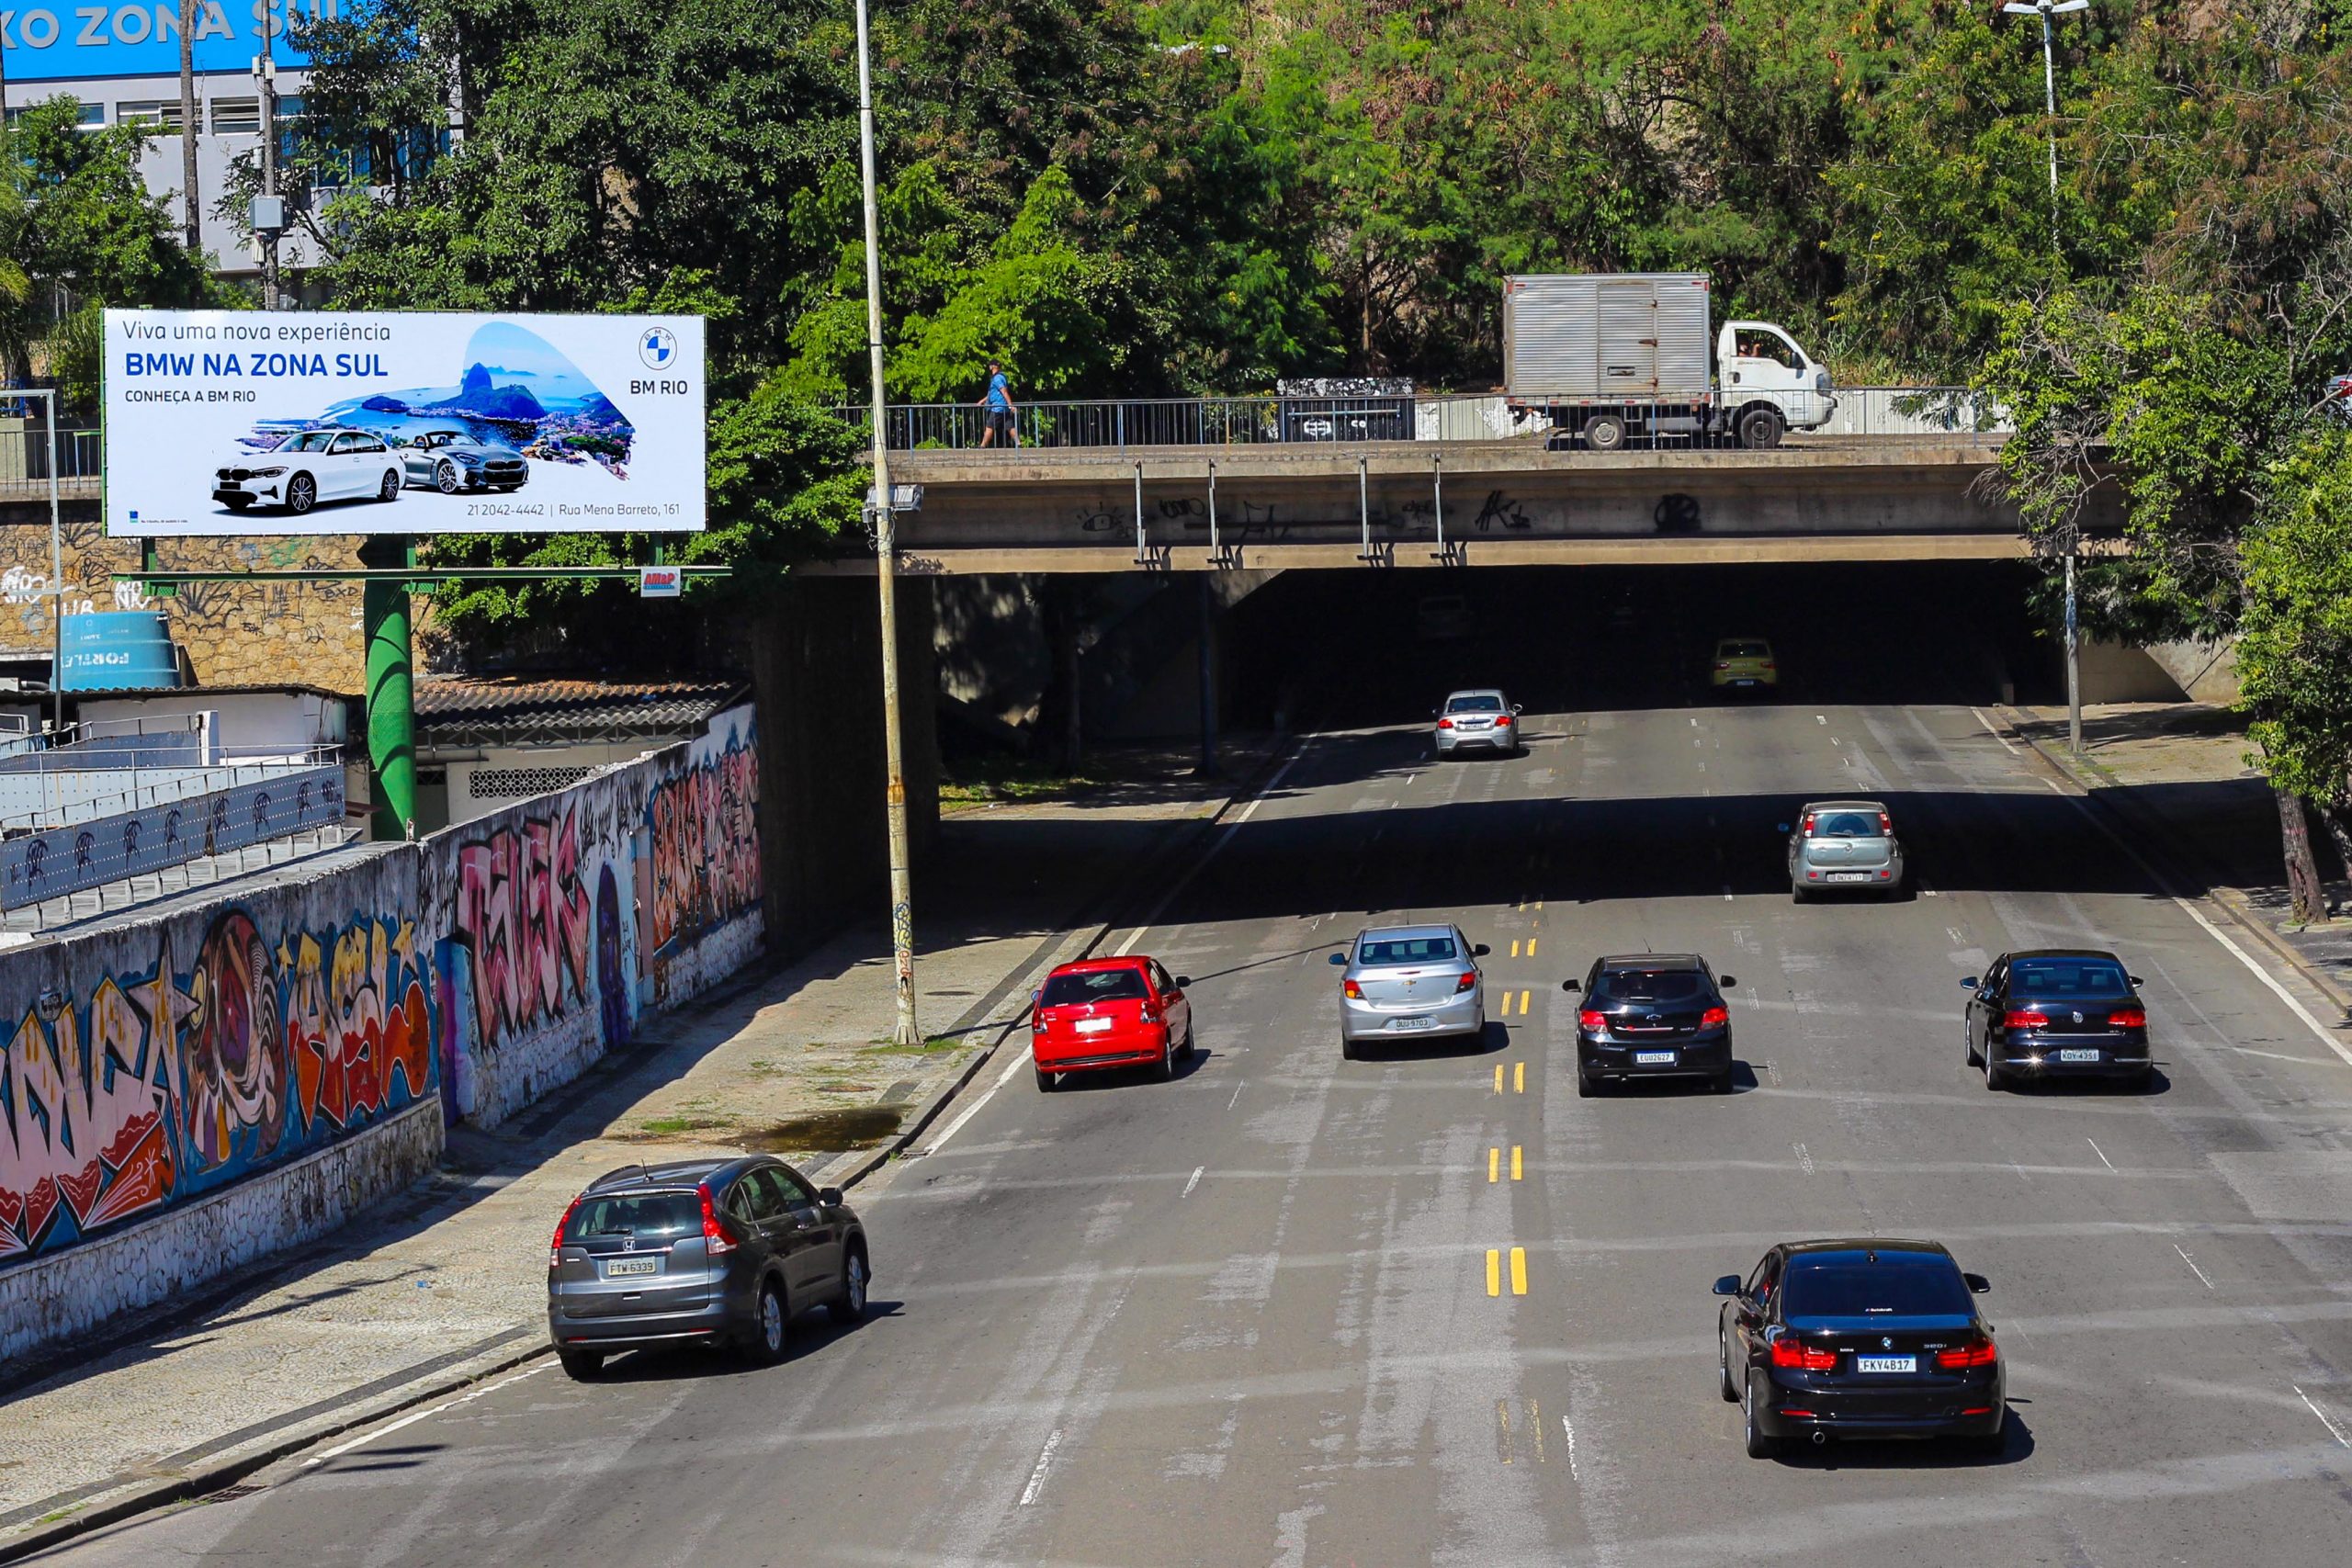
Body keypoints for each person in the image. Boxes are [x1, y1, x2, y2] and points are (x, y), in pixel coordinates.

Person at [978, 359, 1018, 446]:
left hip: (998, 407)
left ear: (993, 366)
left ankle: (982, 446)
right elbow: (992, 393)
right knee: (1010, 426)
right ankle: (1018, 444)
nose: (989, 367)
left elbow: (1004, 392)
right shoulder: (1000, 377)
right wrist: (982, 401)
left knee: (989, 426)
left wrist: (1010, 405)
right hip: (1004, 407)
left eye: (990, 365)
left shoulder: (997, 378)